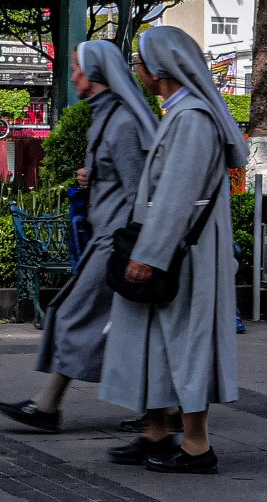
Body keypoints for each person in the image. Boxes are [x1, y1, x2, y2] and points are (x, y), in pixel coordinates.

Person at [0, 42, 156, 433]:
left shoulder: (122, 121)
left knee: (71, 313)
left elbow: (141, 192)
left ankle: (48, 406)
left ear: (96, 73)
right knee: (131, 326)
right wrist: (93, 177)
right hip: (108, 236)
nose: (73, 77)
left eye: (77, 69)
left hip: (116, 241)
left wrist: (141, 249)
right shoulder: (107, 116)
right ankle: (159, 413)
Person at [101, 25, 243, 475]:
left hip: (185, 255)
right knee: (159, 342)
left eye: (139, 61)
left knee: (186, 345)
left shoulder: (191, 118)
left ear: (160, 70)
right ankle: (157, 435)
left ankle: (197, 447)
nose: (136, 69)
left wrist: (149, 254)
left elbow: (178, 196)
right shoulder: (180, 113)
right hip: (178, 250)